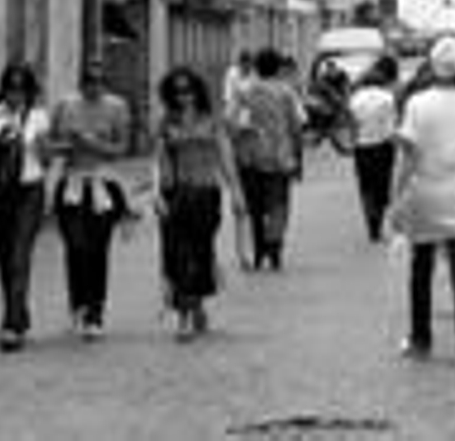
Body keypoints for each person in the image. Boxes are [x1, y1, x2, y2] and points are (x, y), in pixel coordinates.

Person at [391, 37, 455, 367]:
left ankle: (420, 339)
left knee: (421, 266)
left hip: (425, 191)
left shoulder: (417, 104)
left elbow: (408, 154)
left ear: (432, 68)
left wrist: (396, 197)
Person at [154, 66, 247, 340]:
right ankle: (184, 315)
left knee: (201, 251)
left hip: (207, 194)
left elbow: (226, 156)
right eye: (178, 91)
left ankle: (197, 304)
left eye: (189, 90)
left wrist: (236, 192)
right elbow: (157, 161)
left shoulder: (212, 121)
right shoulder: (166, 123)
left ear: (198, 91)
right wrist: (156, 194)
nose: (184, 96)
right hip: (176, 194)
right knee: (177, 254)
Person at [0, 62, 54, 351]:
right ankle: (19, 313)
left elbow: (45, 162)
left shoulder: (39, 117)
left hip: (29, 191)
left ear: (29, 90)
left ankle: (9, 324)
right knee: (5, 258)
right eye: (10, 88)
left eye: (21, 88)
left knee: (20, 255)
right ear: (3, 88)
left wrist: (41, 145)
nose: (15, 94)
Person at [50, 60, 131, 339]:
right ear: (80, 83)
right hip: (71, 183)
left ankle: (96, 312)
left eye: (98, 81)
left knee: (98, 249)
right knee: (75, 246)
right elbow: (52, 145)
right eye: (88, 81)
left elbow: (121, 149)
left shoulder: (117, 107)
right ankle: (78, 305)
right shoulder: (65, 106)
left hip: (103, 185)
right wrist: (68, 145)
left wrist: (93, 144)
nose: (93, 87)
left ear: (104, 84)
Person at [237, 47, 306, 270]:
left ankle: (258, 249)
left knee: (255, 206)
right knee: (278, 204)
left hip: (250, 156)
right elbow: (296, 127)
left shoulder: (245, 90)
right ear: (278, 68)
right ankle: (274, 246)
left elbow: (231, 122)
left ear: (256, 67)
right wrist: (298, 155)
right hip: (280, 156)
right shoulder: (286, 92)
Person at [348, 55, 399, 242]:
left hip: (362, 147)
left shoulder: (355, 99)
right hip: (384, 146)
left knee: (365, 186)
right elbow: (392, 124)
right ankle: (378, 218)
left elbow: (352, 125)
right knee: (382, 186)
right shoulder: (388, 98)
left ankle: (371, 222)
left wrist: (353, 142)